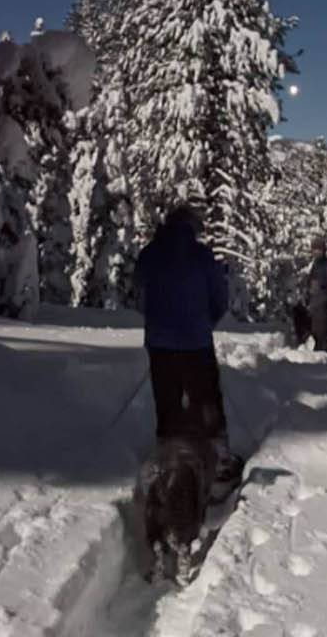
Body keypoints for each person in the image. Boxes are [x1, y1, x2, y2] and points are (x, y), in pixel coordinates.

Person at [134, 206, 243, 487]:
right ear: (192, 227)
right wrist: (204, 322)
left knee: (167, 399)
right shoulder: (203, 256)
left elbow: (139, 296)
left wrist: (156, 322)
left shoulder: (150, 253)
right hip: (196, 341)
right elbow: (220, 298)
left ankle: (166, 458)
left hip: (159, 342)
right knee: (206, 399)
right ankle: (218, 457)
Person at [305, 235, 327, 354]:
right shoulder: (317, 264)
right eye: (314, 250)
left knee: (322, 332)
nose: (315, 252)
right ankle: (320, 353)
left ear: (323, 250)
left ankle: (325, 355)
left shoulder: (326, 264)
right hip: (317, 304)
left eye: (318, 249)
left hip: (323, 304)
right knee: (317, 332)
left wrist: (317, 285)